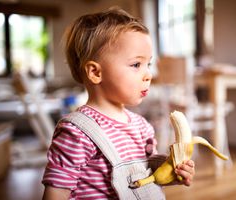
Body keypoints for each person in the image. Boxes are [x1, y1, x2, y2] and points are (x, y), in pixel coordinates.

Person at [42, 7, 195, 199]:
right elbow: (57, 191)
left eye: (148, 64)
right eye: (136, 65)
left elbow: (148, 176)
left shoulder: (142, 127)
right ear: (96, 73)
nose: (148, 74)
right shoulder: (76, 132)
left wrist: (173, 173)